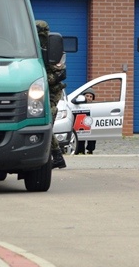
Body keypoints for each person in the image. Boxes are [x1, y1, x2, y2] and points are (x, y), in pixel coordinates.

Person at [36, 20, 68, 169]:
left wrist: (50, 79)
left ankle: (57, 157)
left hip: (52, 92)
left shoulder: (51, 49)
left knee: (46, 124)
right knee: (45, 125)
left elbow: (58, 74)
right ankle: (57, 157)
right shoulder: (35, 47)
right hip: (39, 92)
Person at [75, 90, 97, 155]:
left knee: (92, 137)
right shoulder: (79, 105)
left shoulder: (95, 106)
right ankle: (80, 151)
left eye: (91, 96)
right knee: (80, 138)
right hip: (81, 125)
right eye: (87, 96)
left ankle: (90, 150)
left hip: (90, 124)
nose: (89, 98)